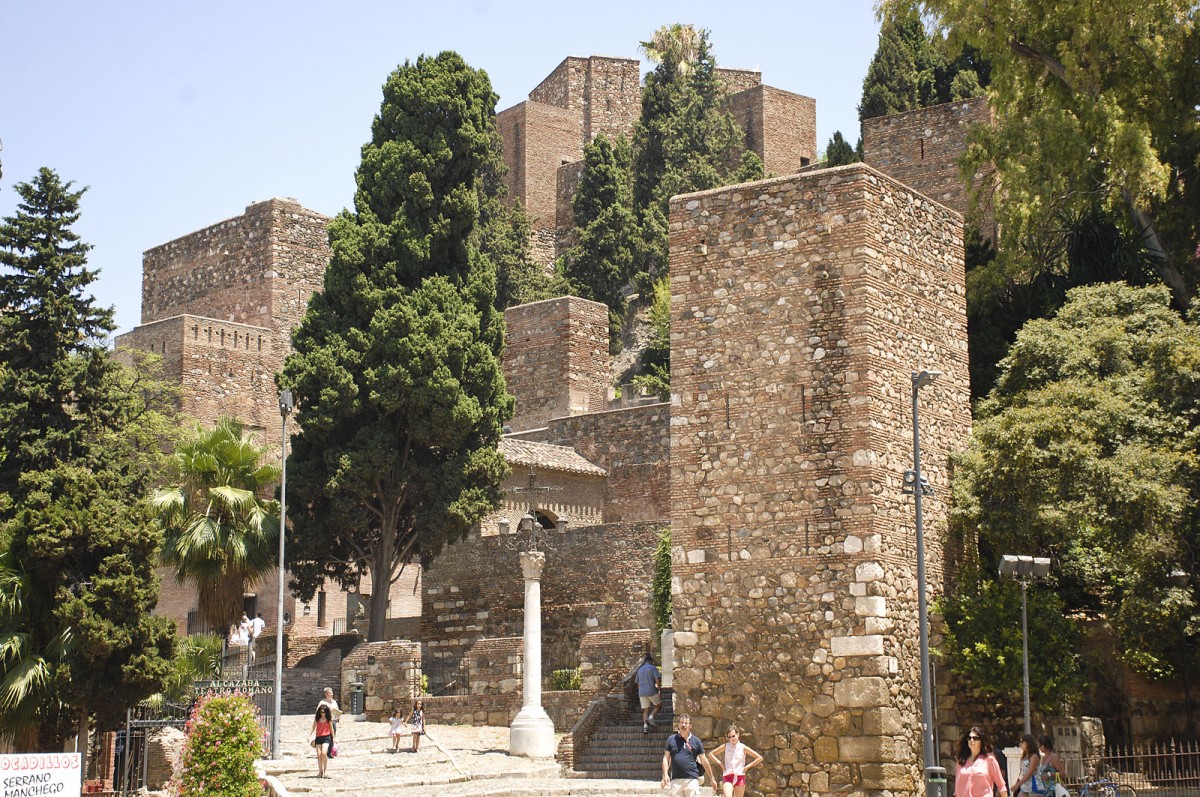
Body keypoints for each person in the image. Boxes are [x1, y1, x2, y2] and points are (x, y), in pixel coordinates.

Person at [661, 714, 716, 796]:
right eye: (681, 722)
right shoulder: (671, 740)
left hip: (691, 780)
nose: (683, 725)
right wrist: (665, 775)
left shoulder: (696, 741)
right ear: (678, 724)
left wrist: (712, 778)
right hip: (676, 780)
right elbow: (666, 758)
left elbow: (704, 759)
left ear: (690, 726)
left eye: (686, 723)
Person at [706, 723, 764, 797]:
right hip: (728, 775)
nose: (731, 739)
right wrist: (720, 764)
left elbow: (759, 758)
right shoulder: (725, 746)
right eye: (729, 737)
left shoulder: (743, 747)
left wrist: (747, 767)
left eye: (733, 736)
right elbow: (711, 754)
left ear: (738, 734)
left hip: (739, 775)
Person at [955, 726, 1009, 797]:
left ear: (981, 741)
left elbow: (1001, 786)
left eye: (975, 738)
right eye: (969, 738)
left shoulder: (989, 760)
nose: (972, 740)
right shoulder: (961, 762)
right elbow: (957, 790)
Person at [636, 652, 662, 734]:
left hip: (641, 692)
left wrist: (640, 690)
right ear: (651, 661)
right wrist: (659, 688)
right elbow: (657, 679)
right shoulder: (653, 668)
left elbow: (637, 682)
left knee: (645, 709)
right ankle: (651, 717)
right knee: (659, 705)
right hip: (651, 690)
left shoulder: (639, 670)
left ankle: (645, 727)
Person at [310, 705, 335, 778]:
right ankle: (320, 771)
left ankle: (325, 770)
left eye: (324, 712)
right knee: (319, 754)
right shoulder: (317, 718)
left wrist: (334, 738)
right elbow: (313, 727)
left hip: (326, 737)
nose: (322, 714)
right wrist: (310, 735)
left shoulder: (328, 719)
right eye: (321, 712)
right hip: (318, 737)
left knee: (324, 753)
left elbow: (331, 729)